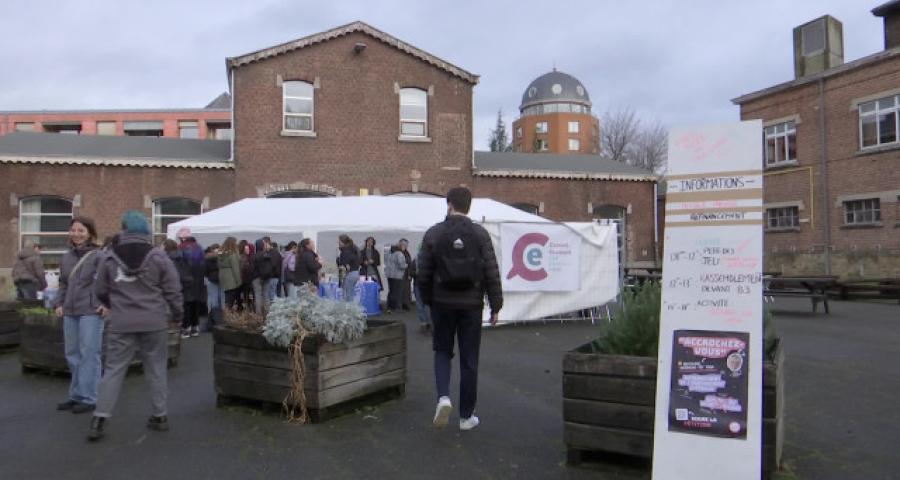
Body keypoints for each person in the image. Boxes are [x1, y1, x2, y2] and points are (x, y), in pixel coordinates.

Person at [89, 211, 183, 441]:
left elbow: (99, 290)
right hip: (153, 321)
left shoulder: (110, 257)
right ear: (146, 231)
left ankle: (99, 419)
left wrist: (112, 304)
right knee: (156, 367)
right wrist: (177, 314)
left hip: (121, 322)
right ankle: (160, 416)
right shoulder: (159, 257)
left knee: (113, 370)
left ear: (124, 229)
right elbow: (173, 289)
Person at [417, 186, 503, 431]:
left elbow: (423, 272)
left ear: (449, 204)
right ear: (469, 206)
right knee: (469, 359)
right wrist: (496, 306)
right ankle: (466, 417)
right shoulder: (480, 234)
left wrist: (428, 300)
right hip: (471, 305)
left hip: (442, 303)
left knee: (442, 352)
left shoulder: (433, 233)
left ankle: (443, 397)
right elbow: (491, 272)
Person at [54, 216, 105, 415]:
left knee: (89, 354)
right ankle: (76, 395)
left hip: (90, 310)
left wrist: (104, 303)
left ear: (90, 233)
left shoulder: (98, 256)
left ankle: (90, 397)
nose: (76, 234)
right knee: (72, 353)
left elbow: (108, 281)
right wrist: (59, 303)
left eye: (81, 230)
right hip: (70, 310)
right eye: (73, 230)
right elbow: (63, 283)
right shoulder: (67, 257)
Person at [164, 240, 197, 338]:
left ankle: (184, 328)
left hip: (179, 282)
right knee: (189, 305)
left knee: (181, 306)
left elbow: (173, 272)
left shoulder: (170, 257)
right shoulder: (183, 254)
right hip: (189, 280)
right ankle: (192, 327)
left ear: (166, 247)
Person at [178, 236, 205, 336]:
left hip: (185, 281)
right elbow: (203, 265)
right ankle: (195, 327)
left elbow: (179, 266)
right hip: (198, 281)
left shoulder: (181, 247)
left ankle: (186, 327)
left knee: (186, 305)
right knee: (195, 305)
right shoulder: (200, 248)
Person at [251, 238, 276, 314]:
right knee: (266, 295)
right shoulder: (267, 255)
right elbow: (272, 265)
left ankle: (258, 313)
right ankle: (267, 312)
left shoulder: (254, 256)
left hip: (256, 278)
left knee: (258, 295)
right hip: (267, 277)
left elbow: (252, 268)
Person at [218, 237, 242, 310]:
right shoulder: (232, 254)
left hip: (222, 276)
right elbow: (235, 269)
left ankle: (225, 311)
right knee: (230, 299)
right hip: (231, 278)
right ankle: (227, 313)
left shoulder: (220, 253)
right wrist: (239, 281)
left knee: (226, 297)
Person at [412, 246, 432, 334]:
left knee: (422, 304)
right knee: (423, 304)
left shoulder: (416, 260)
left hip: (422, 284)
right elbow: (411, 272)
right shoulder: (416, 260)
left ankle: (426, 322)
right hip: (422, 284)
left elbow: (411, 272)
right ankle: (426, 323)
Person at [337, 234, 361, 302]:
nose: (338, 242)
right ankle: (350, 307)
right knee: (350, 294)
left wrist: (338, 261)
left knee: (346, 295)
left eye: (339, 241)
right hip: (355, 273)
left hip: (350, 274)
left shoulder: (345, 251)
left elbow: (344, 266)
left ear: (343, 242)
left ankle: (348, 308)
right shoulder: (352, 249)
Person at [384, 242, 408, 313]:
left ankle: (389, 307)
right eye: (404, 246)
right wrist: (406, 265)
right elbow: (401, 265)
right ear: (400, 247)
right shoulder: (399, 254)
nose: (405, 247)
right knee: (398, 292)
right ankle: (397, 307)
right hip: (397, 275)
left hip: (389, 275)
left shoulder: (389, 253)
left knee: (391, 291)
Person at [399, 239, 413, 310]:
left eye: (406, 244)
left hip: (406, 274)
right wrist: (405, 265)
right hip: (399, 275)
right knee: (400, 290)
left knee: (406, 290)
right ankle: (400, 305)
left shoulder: (407, 253)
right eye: (403, 244)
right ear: (400, 244)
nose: (404, 245)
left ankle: (406, 304)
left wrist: (410, 274)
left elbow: (410, 264)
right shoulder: (397, 252)